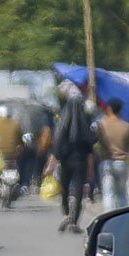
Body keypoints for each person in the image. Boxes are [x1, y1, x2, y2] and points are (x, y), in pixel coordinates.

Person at [51, 88, 96, 233]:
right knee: (77, 189)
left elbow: (56, 143)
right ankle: (74, 219)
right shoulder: (86, 122)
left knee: (64, 189)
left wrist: (54, 161)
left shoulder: (61, 121)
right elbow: (90, 146)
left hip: (65, 161)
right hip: (80, 161)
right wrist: (91, 168)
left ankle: (66, 214)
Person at [96, 97, 129, 209]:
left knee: (109, 194)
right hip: (122, 162)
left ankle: (109, 217)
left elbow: (98, 142)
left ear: (109, 109)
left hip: (106, 162)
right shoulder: (127, 126)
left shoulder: (102, 125)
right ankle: (122, 216)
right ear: (121, 110)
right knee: (122, 193)